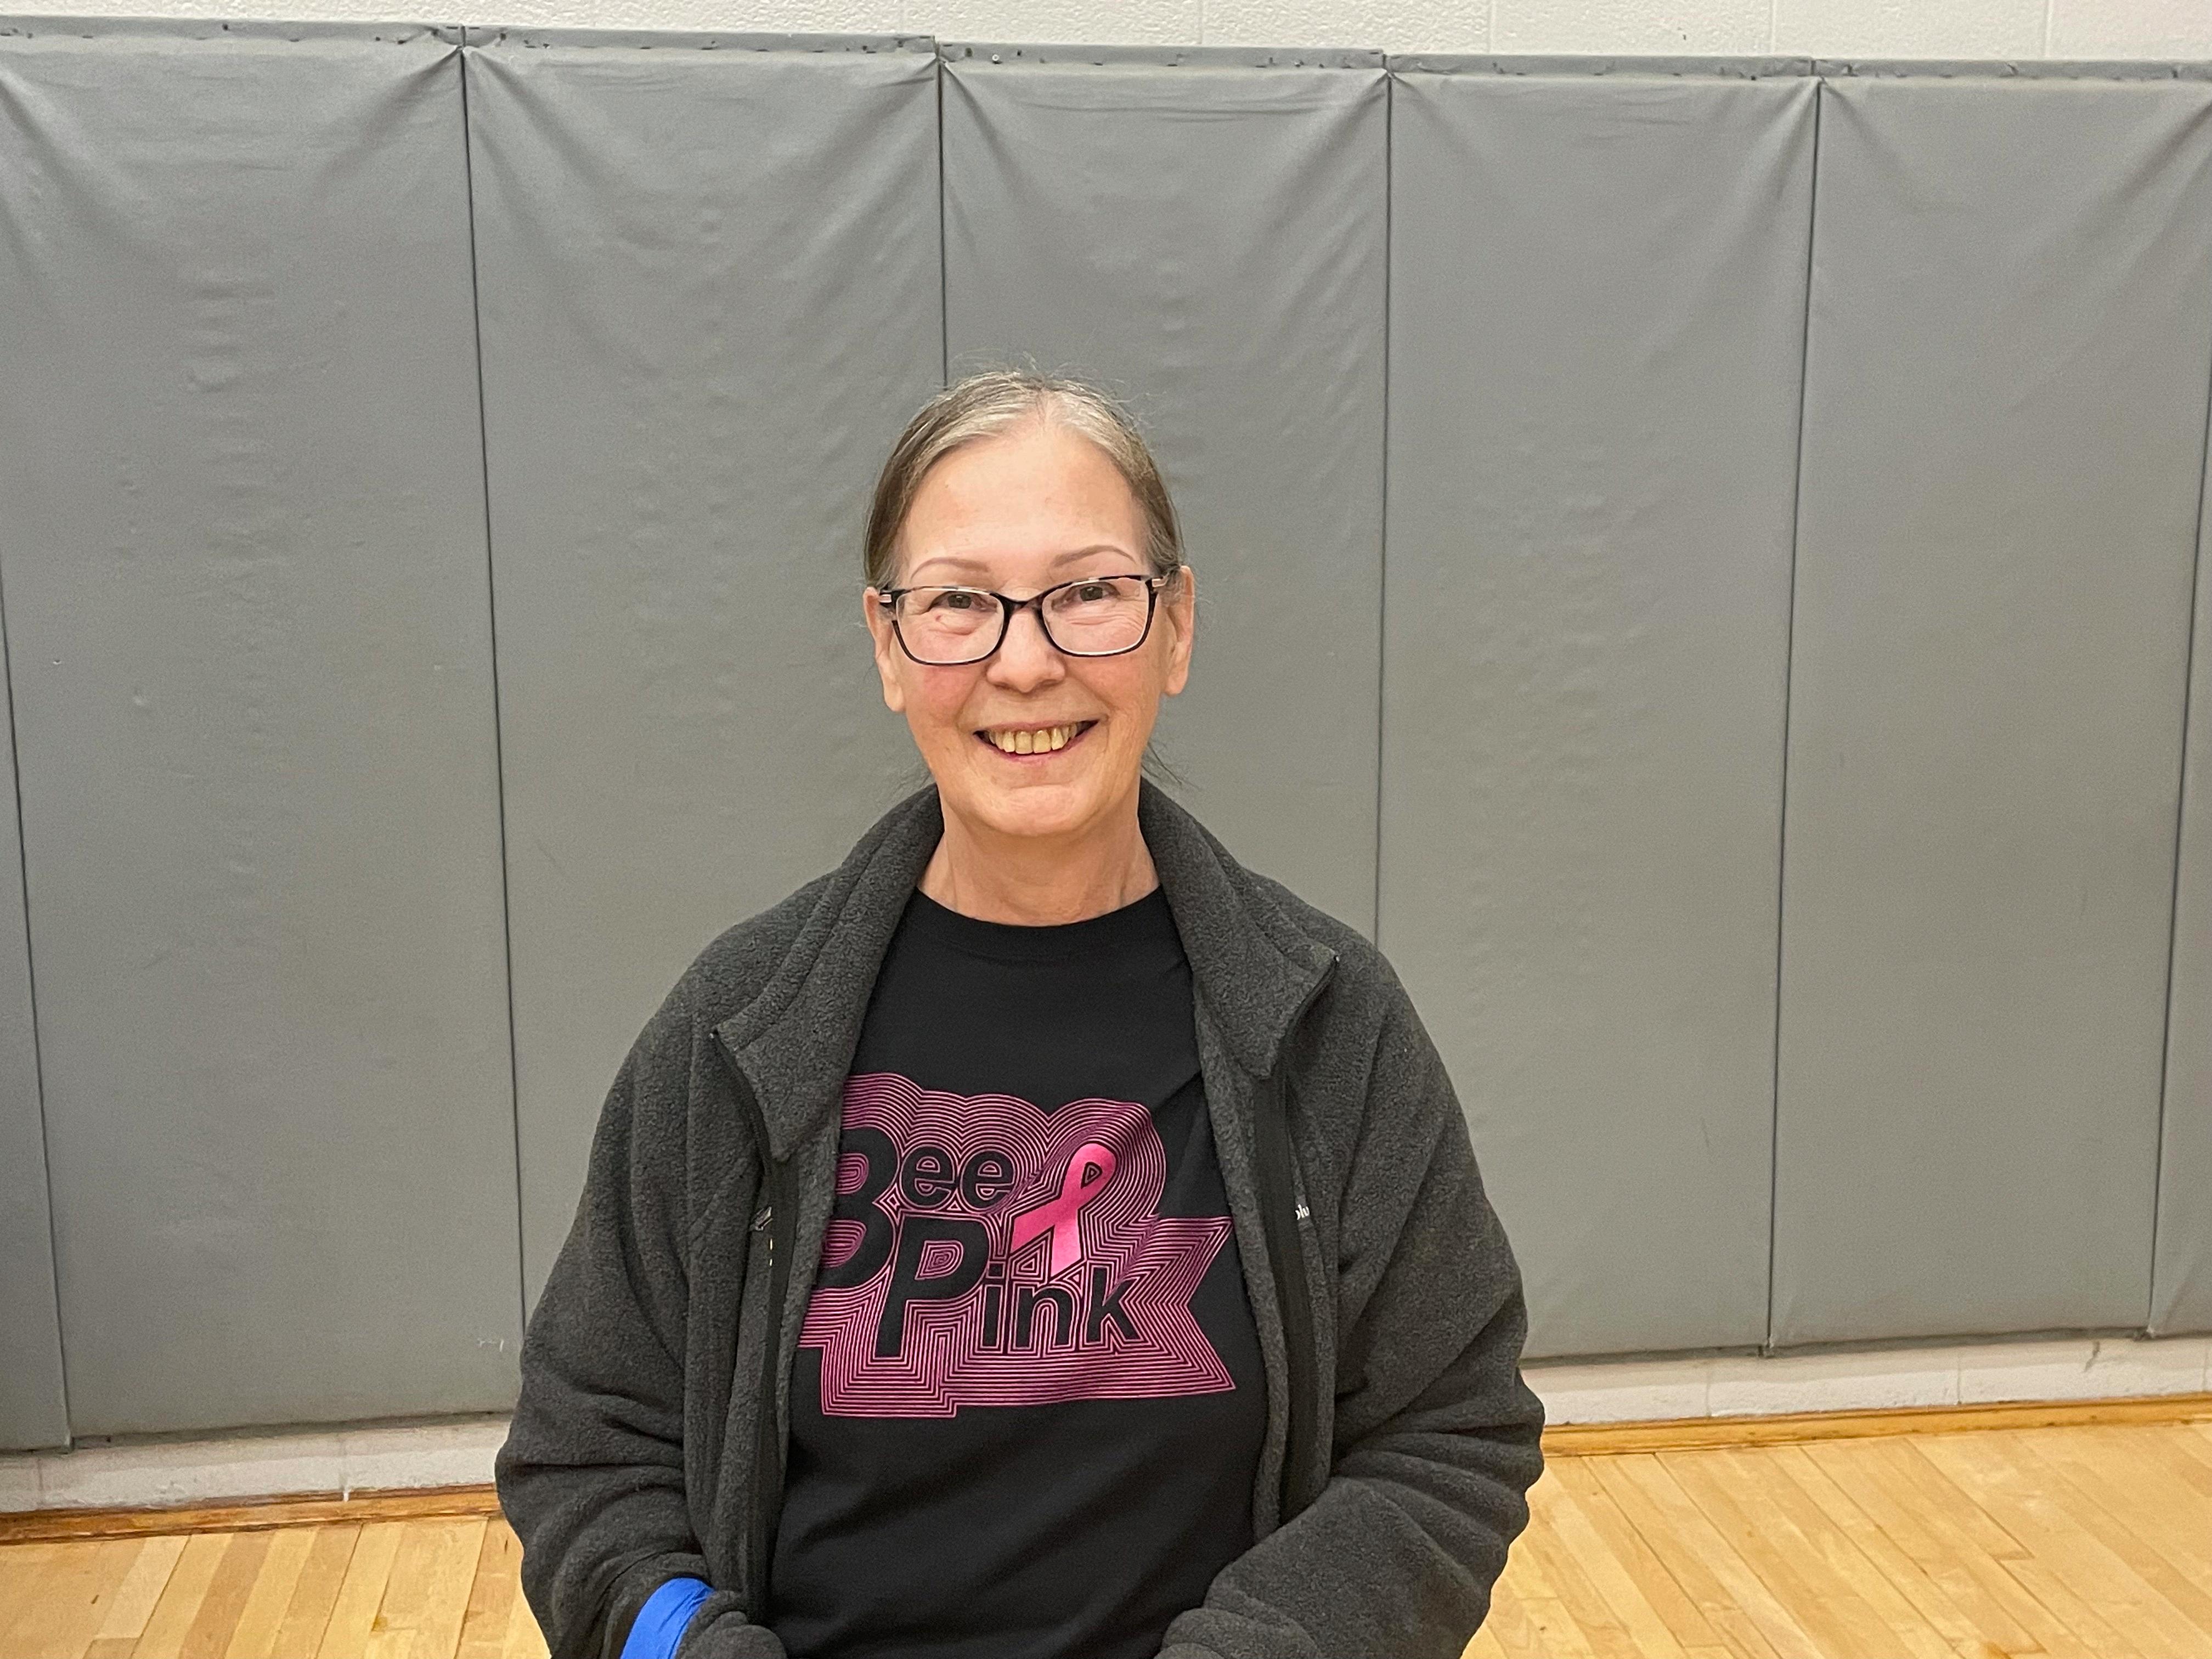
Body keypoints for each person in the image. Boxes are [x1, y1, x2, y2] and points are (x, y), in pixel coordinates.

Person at [495, 370, 1547, 1659]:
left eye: (1088, 592)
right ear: (889, 647)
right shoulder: (736, 1027)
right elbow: (588, 1454)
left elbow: (1447, 1438)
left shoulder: (1333, 1026)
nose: (1027, 661)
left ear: (1175, 627)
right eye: (958, 602)